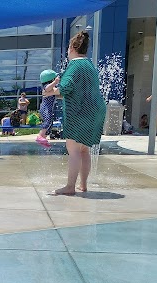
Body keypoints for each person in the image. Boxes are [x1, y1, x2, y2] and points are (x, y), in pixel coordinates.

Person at [43, 31, 105, 195]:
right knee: (84, 149)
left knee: (74, 149)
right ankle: (83, 184)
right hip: (96, 110)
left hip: (80, 112)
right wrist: (55, 92)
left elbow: (66, 86)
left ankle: (70, 186)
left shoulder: (75, 65)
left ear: (72, 48)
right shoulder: (90, 65)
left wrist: (51, 91)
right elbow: (77, 90)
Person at [36, 69, 59, 148]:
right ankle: (40, 136)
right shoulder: (46, 86)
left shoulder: (52, 87)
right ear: (51, 79)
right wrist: (55, 82)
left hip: (48, 108)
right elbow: (47, 89)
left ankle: (44, 138)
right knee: (48, 120)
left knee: (50, 123)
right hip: (45, 107)